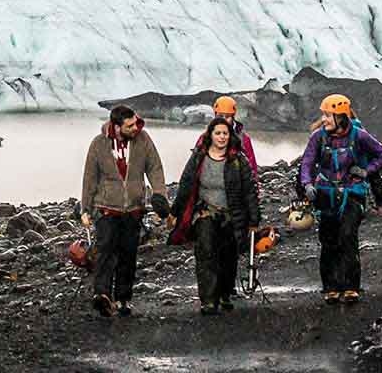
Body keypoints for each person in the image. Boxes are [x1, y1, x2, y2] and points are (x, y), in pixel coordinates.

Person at [297, 94, 382, 304]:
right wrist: (307, 185)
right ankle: (330, 287)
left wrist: (367, 171)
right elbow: (307, 164)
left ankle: (350, 287)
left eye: (328, 115)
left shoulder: (359, 136)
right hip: (325, 194)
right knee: (328, 241)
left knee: (347, 236)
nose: (324, 119)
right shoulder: (318, 138)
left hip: (352, 194)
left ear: (341, 116)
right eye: (324, 115)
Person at [81, 104, 169, 317]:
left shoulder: (143, 139)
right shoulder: (99, 144)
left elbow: (155, 167)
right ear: (116, 126)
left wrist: (159, 195)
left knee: (128, 255)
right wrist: (85, 208)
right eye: (129, 125)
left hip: (133, 208)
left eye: (135, 123)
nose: (135, 128)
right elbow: (90, 177)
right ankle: (102, 296)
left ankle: (123, 299)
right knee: (105, 254)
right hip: (106, 208)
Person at [168, 117, 261, 313]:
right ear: (210, 135)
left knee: (228, 256)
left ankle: (225, 293)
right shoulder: (199, 158)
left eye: (225, 133)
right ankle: (209, 300)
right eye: (218, 133)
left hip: (231, 215)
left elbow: (249, 191)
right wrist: (175, 212)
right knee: (206, 253)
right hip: (205, 212)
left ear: (230, 136)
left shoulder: (238, 160)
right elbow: (186, 184)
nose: (222, 137)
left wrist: (254, 220)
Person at [194, 96, 259, 181]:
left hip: (235, 187)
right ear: (215, 115)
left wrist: (253, 189)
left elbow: (252, 167)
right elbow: (194, 165)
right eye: (221, 115)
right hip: (209, 186)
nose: (223, 120)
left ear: (233, 117)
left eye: (227, 116)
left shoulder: (243, 139)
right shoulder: (205, 138)